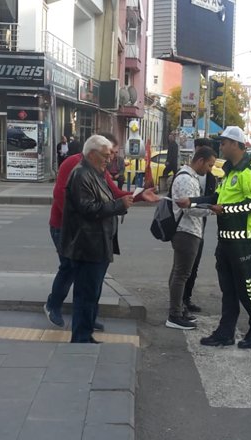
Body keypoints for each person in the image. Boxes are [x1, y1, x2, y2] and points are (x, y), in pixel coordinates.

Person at [44, 135, 156, 329]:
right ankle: (53, 305)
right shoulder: (74, 164)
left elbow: (113, 194)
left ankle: (87, 316)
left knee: (90, 276)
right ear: (95, 151)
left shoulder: (98, 168)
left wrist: (138, 197)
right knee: (70, 269)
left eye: (112, 154)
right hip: (65, 227)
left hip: (89, 230)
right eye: (109, 153)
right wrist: (78, 223)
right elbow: (62, 196)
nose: (111, 158)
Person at [177, 126, 251, 349]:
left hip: (245, 241)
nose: (221, 146)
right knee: (228, 291)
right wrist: (193, 201)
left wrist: (224, 210)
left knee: (246, 289)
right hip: (226, 241)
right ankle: (225, 333)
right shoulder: (230, 172)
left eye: (225, 142)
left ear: (237, 145)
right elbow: (216, 197)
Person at [61, 135, 134, 343]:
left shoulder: (96, 173)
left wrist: (122, 202)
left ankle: (86, 332)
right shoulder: (81, 175)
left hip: (97, 245)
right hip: (87, 246)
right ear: (92, 154)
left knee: (92, 293)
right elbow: (88, 209)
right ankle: (81, 337)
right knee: (86, 294)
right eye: (105, 155)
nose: (109, 159)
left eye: (110, 154)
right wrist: (119, 205)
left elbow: (105, 200)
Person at [166, 146, 217, 330]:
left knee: (178, 272)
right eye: (209, 165)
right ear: (200, 160)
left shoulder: (188, 176)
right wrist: (212, 209)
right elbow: (190, 208)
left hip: (186, 231)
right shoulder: (187, 179)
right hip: (186, 231)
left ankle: (177, 310)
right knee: (181, 274)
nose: (209, 169)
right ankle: (174, 315)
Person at [183, 138, 219, 314]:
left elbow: (212, 197)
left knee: (193, 264)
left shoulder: (211, 178)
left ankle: (186, 298)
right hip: (185, 227)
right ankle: (179, 302)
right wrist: (211, 209)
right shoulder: (186, 175)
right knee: (182, 268)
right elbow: (187, 206)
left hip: (200, 225)